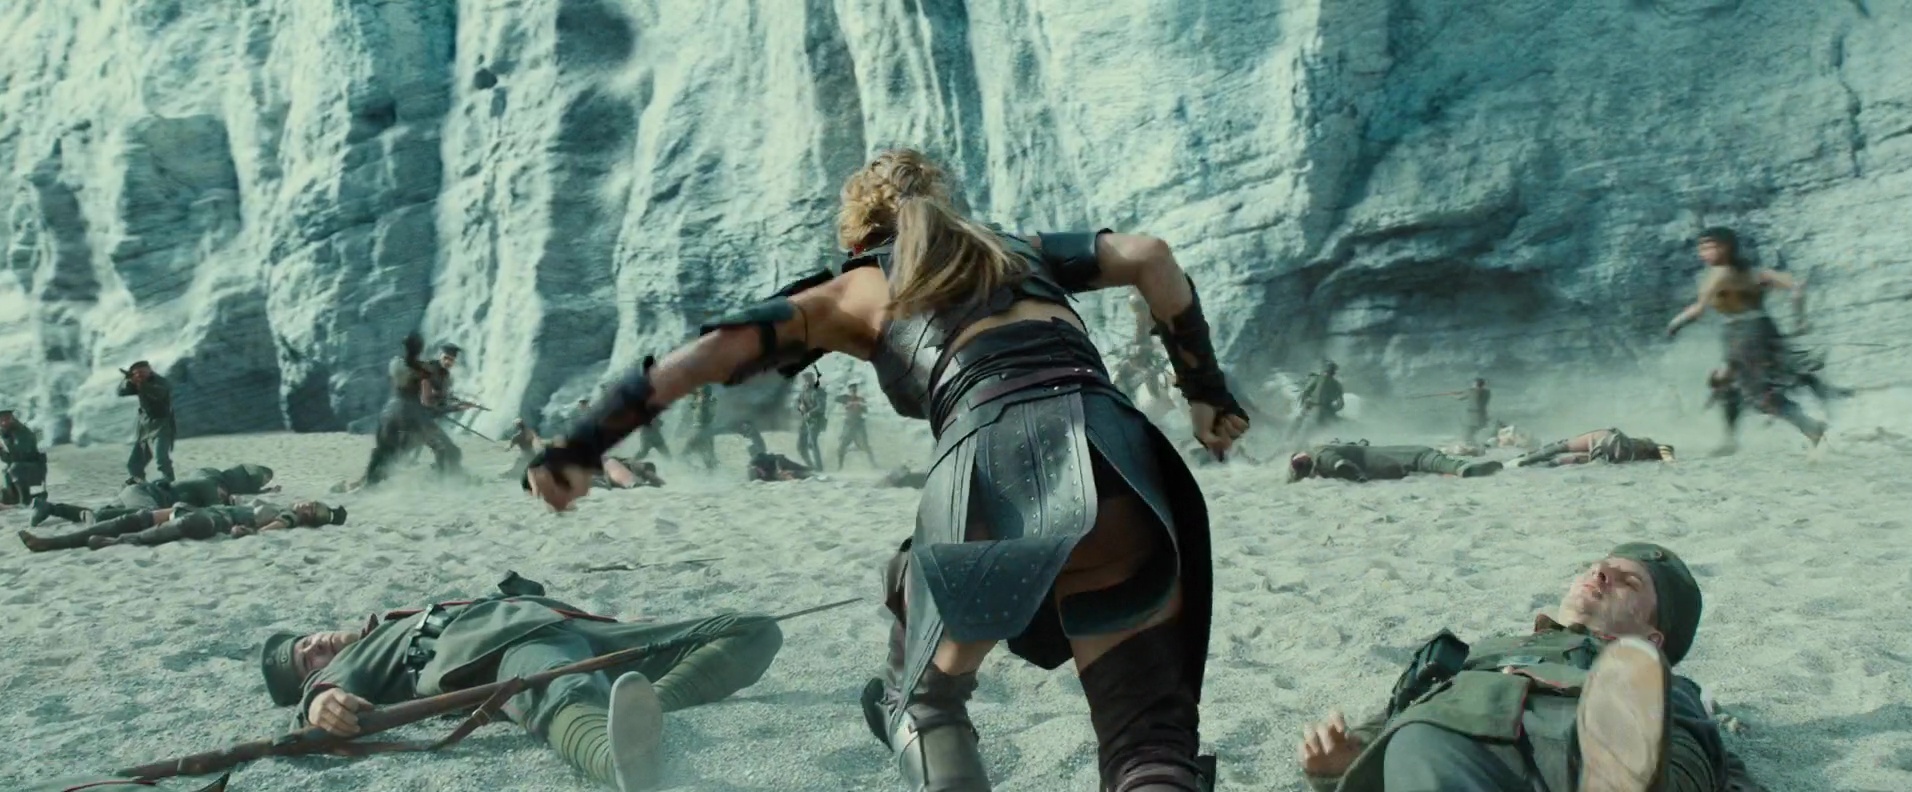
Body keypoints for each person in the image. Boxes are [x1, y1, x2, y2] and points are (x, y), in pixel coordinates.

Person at [523, 148, 1248, 791]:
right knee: (1147, 746)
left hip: (989, 464)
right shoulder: (1016, 252)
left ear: (858, 238)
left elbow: (706, 356)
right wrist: (1206, 394)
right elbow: (1151, 255)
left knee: (922, 700)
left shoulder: (857, 289)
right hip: (1117, 459)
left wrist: (584, 444)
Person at [260, 575, 784, 791]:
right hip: (505, 652)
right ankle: (616, 758)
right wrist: (320, 701)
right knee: (561, 688)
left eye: (306, 640)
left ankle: (652, 709)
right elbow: (324, 695)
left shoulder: (395, 619)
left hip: (578, 632)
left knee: (753, 629)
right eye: (305, 661)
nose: (315, 647)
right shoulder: (360, 657)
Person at [1294, 542, 1726, 792]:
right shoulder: (1487, 650)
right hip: (1460, 748)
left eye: (1627, 582)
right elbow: (1397, 713)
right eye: (1598, 568)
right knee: (1416, 736)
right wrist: (1341, 762)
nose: (1599, 574)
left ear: (1652, 638)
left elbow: (1690, 750)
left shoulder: (1652, 676)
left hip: (1577, 749)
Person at [1666, 227, 1833, 450]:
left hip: (1742, 334)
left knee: (1756, 393)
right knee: (1729, 384)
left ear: (1726, 247)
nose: (1703, 253)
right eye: (1702, 248)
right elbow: (1796, 287)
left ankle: (1809, 426)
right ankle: (1730, 439)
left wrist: (1675, 324)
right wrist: (1800, 320)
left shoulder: (1719, 273)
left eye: (1709, 247)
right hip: (1761, 328)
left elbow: (1698, 309)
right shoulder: (1756, 272)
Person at [20, 499, 346, 552]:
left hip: (216, 520)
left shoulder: (289, 517)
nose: (306, 506)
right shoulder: (282, 504)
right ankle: (53, 543)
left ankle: (119, 542)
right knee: (132, 517)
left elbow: (272, 528)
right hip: (206, 509)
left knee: (176, 525)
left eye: (312, 511)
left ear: (308, 518)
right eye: (312, 503)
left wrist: (250, 532)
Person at [360, 334, 469, 487]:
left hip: (390, 412)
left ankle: (367, 483)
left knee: (385, 452)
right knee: (449, 450)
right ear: (421, 349)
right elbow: (427, 402)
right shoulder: (424, 371)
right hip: (413, 416)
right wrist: (454, 407)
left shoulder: (396, 363)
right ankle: (447, 482)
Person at [26, 475, 230, 528]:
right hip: (142, 493)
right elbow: (218, 510)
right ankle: (99, 517)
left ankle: (50, 508)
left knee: (111, 514)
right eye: (225, 493)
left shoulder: (200, 489)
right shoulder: (207, 485)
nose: (223, 496)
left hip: (134, 493)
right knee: (149, 514)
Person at [1287, 441, 1501, 482]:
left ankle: (1457, 469)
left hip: (1383, 468)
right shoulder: (1320, 453)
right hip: (1385, 461)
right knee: (1422, 456)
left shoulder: (1319, 459)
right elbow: (1339, 463)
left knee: (1422, 462)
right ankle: (1463, 468)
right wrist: (1356, 476)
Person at [118, 360, 177, 484]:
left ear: (149, 370)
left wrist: (141, 384)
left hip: (162, 424)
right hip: (145, 427)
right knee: (134, 464)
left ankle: (169, 480)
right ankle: (139, 481)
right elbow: (122, 392)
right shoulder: (138, 383)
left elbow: (159, 393)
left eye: (142, 372)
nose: (140, 375)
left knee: (161, 458)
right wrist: (128, 380)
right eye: (137, 373)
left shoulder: (161, 382)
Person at [1515, 428, 1674, 467]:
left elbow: (1665, 449)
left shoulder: (1643, 443)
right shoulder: (1647, 448)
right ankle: (1544, 465)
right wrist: (1670, 461)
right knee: (1577, 459)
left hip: (1607, 436)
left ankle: (1523, 460)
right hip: (1618, 451)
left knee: (1561, 446)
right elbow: (1666, 450)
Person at [1, 408, 48, 508]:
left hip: (34, 468)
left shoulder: (22, 432)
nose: (3, 422)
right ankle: (16, 498)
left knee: (15, 468)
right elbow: (8, 459)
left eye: (6, 418)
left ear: (12, 418)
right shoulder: (6, 432)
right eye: (1, 420)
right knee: (7, 472)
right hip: (22, 467)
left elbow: (19, 457)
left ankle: (25, 500)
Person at [1291, 362, 1346, 440]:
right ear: (1334, 372)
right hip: (1325, 411)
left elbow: (1306, 392)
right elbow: (1340, 404)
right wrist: (1332, 410)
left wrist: (1304, 405)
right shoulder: (1336, 384)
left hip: (1313, 408)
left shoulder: (1317, 379)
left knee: (1298, 423)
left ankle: (1290, 439)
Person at [631, 359, 673, 461]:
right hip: (648, 427)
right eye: (654, 367)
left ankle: (630, 463)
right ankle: (629, 463)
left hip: (651, 426)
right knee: (646, 451)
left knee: (651, 451)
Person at [834, 382, 878, 468]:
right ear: (849, 391)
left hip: (858, 426)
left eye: (854, 390)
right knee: (841, 447)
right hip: (848, 425)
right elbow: (836, 399)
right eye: (852, 390)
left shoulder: (860, 400)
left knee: (865, 446)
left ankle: (874, 465)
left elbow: (865, 411)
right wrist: (847, 401)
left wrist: (860, 406)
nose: (853, 392)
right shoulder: (846, 398)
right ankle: (840, 466)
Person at [795, 370, 829, 469]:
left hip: (816, 420)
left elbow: (821, 407)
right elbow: (798, 402)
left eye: (808, 379)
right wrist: (800, 406)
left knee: (812, 442)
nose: (807, 381)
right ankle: (810, 466)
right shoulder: (804, 390)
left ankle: (819, 467)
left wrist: (810, 413)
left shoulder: (819, 391)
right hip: (805, 420)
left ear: (813, 379)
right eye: (805, 379)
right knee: (800, 446)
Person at [1457, 378, 1491, 443]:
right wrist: (1463, 392)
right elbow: (1476, 392)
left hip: (1473, 416)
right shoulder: (1487, 392)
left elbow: (1459, 398)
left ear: (1475, 384)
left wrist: (1452, 395)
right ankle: (1475, 443)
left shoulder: (1471, 391)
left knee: (1468, 433)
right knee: (1474, 431)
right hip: (1482, 415)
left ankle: (1472, 444)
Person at [747, 452, 814, 482]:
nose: (762, 474)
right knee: (791, 474)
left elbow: (777, 458)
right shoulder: (758, 477)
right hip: (775, 470)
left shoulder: (758, 459)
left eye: (760, 471)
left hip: (781, 462)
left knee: (800, 468)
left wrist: (779, 469)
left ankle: (811, 470)